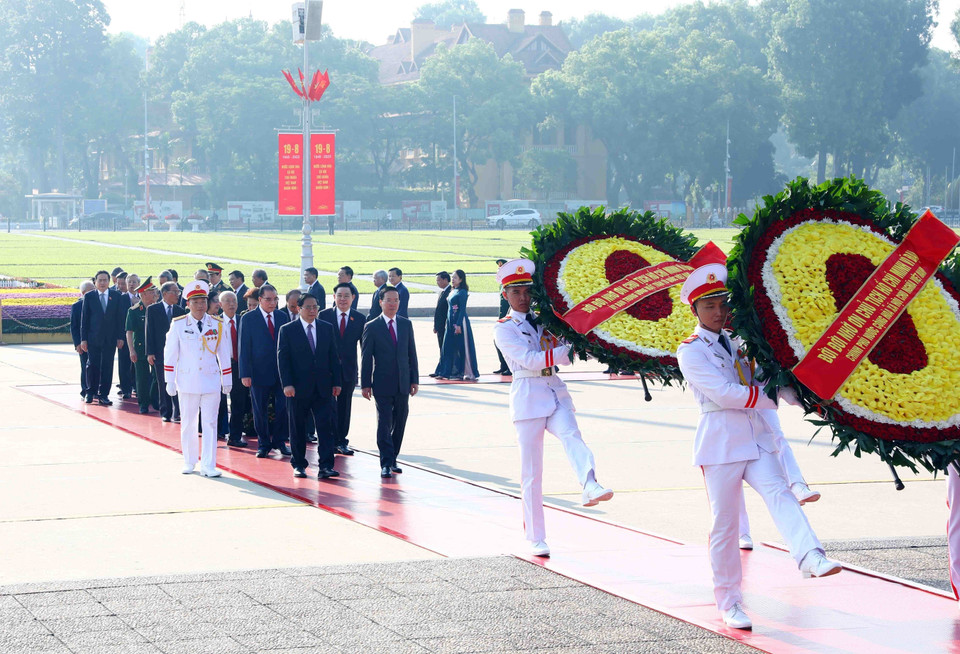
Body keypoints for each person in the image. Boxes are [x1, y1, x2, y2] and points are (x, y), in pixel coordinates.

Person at [676, 251, 841, 630]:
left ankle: (810, 556)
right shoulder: (691, 350)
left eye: (722, 305)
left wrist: (807, 401)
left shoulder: (740, 341)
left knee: (781, 493)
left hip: (755, 438)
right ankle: (729, 601)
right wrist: (770, 398)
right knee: (725, 525)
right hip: (721, 444)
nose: (719, 312)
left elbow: (768, 380)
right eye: (710, 306)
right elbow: (724, 394)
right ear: (695, 310)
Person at [493, 259, 613, 558]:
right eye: (516, 292)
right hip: (528, 396)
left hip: (554, 390)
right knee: (532, 474)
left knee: (572, 434)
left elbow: (570, 343)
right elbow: (530, 360)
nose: (523, 297)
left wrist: (591, 342)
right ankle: (536, 537)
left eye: (527, 291)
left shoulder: (546, 320)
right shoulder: (504, 329)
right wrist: (567, 351)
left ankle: (590, 484)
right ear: (505, 295)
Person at [163, 280, 232, 477]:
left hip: (211, 380)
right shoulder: (179, 324)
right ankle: (189, 460)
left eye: (203, 301)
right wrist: (169, 379)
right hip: (188, 381)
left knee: (210, 424)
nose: (200, 305)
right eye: (195, 302)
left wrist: (227, 378)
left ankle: (208, 465)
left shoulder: (217, 324)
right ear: (188, 304)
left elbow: (224, 353)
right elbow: (170, 354)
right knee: (188, 423)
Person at [737, 409, 822, 550]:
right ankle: (741, 532)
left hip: (761, 399)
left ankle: (796, 483)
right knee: (732, 477)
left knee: (776, 435)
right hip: (726, 412)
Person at [278, 293, 342, 479]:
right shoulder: (288, 330)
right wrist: (287, 384)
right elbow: (283, 359)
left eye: (315, 307)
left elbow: (333, 356)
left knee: (325, 428)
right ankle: (299, 464)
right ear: (299, 309)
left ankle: (326, 466)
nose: (313, 310)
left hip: (323, 388)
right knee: (297, 428)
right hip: (297, 389)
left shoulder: (326, 328)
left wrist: (337, 382)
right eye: (308, 307)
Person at [361, 286, 419, 479]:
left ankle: (393, 457)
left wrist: (414, 379)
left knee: (400, 421)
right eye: (389, 300)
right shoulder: (372, 326)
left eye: (396, 300)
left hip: (403, 383)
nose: (393, 304)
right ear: (381, 302)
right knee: (384, 423)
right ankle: (385, 462)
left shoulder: (405, 324)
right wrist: (365, 384)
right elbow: (366, 357)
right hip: (382, 383)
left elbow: (411, 353)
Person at [239, 283, 291, 458]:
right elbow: (244, 347)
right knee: (259, 409)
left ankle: (280, 441)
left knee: (283, 407)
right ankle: (263, 444)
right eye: (268, 299)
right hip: (258, 372)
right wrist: (245, 373)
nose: (272, 303)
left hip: (281, 372)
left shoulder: (282, 316)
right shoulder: (248, 318)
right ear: (260, 299)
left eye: (275, 299)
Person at [319, 282, 365, 456]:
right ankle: (328, 440)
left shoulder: (359, 319)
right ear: (334, 297)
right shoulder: (324, 315)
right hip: (327, 370)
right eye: (339, 295)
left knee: (344, 407)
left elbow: (365, 348)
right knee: (326, 406)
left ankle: (341, 440)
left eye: (346, 296)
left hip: (348, 371)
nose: (343, 299)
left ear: (353, 298)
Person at [80, 270, 127, 406]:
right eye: (99, 280)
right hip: (93, 338)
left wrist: (120, 337)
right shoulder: (89, 296)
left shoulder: (116, 296)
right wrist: (83, 339)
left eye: (105, 280)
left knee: (107, 366)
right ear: (95, 282)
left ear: (109, 282)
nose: (102, 283)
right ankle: (90, 392)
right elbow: (85, 319)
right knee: (92, 365)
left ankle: (104, 394)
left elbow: (120, 318)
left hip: (110, 338)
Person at [146, 281, 186, 422]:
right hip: (159, 352)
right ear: (164, 294)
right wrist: (150, 352)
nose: (177, 294)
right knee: (163, 382)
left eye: (178, 292)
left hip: (178, 353)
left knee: (177, 381)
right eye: (174, 292)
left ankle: (178, 411)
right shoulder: (153, 309)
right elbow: (149, 331)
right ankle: (166, 412)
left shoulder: (180, 311)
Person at [434, 269, 479, 381]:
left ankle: (461, 372)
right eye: (452, 277)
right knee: (446, 347)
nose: (452, 279)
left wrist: (458, 325)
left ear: (461, 279)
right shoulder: (453, 291)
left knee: (460, 347)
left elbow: (462, 309)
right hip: (450, 322)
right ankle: (445, 372)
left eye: (455, 278)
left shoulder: (462, 292)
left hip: (459, 322)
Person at [219, 290, 249, 448]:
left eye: (234, 301)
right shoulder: (214, 322)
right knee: (218, 402)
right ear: (220, 304)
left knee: (239, 402)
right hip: (220, 367)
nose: (231, 304)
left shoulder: (243, 320)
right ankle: (218, 432)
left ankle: (235, 436)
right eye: (227, 301)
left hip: (238, 366)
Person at [126, 277, 159, 414]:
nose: (155, 294)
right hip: (140, 348)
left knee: (157, 377)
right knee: (142, 378)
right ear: (144, 294)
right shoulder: (134, 310)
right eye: (152, 292)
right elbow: (129, 332)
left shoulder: (157, 309)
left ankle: (155, 400)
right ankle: (143, 403)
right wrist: (131, 350)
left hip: (156, 348)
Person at [71, 280, 95, 399]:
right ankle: (85, 390)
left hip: (96, 341)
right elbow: (74, 327)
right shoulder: (76, 306)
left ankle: (95, 389)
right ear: (84, 292)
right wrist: (77, 344)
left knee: (97, 366)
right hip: (83, 343)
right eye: (92, 290)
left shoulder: (98, 304)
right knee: (85, 366)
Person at [114, 272, 134, 399]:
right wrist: (119, 337)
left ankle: (137, 386)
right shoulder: (121, 298)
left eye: (134, 282)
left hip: (139, 337)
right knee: (124, 363)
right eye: (129, 282)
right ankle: (125, 388)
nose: (131, 284)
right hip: (124, 336)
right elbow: (118, 319)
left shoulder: (142, 297)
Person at [493, 258, 511, 375]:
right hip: (502, 318)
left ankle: (509, 367)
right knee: (497, 341)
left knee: (507, 343)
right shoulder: (502, 284)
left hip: (509, 318)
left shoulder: (510, 284)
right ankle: (503, 365)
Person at [431, 271, 451, 364]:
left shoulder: (450, 292)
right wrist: (436, 326)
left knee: (446, 348)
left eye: (438, 280)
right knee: (441, 347)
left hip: (445, 326)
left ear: (445, 280)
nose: (437, 282)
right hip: (440, 326)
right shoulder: (442, 292)